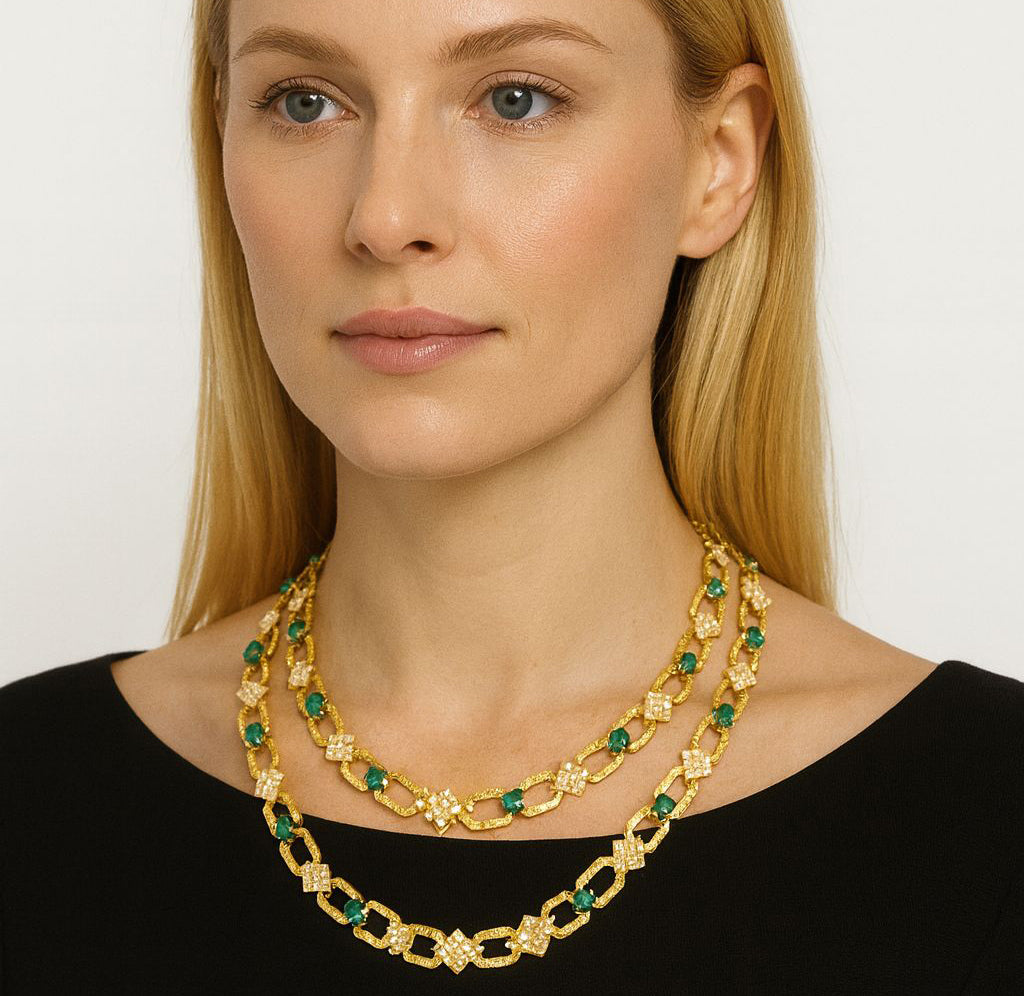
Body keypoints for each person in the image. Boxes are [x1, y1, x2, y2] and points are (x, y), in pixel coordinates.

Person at [1, 0, 1020, 991]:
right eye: (306, 102)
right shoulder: (33, 796)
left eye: (516, 99)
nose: (386, 218)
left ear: (717, 163)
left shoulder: (985, 821)